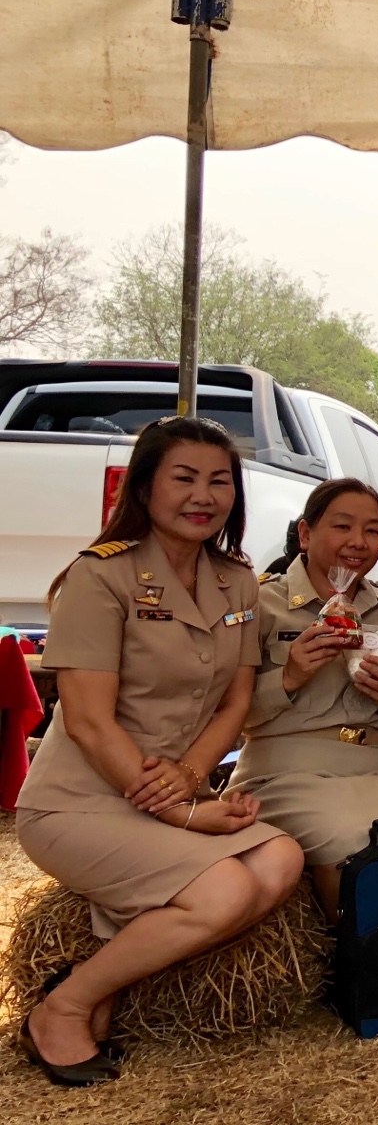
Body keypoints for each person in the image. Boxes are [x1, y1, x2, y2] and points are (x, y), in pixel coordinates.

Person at [14, 417, 304, 1086]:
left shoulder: (237, 581)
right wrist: (184, 816)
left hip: (172, 792)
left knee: (282, 856)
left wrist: (194, 782)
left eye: (220, 481)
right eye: (184, 478)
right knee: (225, 890)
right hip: (80, 804)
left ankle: (101, 968)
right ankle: (66, 1006)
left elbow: (235, 701)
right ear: (143, 488)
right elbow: (87, 722)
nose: (204, 495)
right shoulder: (99, 577)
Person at [229, 479, 378, 920]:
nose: (359, 542)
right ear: (305, 534)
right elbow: (228, 711)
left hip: (373, 772)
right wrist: (289, 675)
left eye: (374, 530)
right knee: (353, 846)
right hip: (286, 774)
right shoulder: (263, 603)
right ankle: (352, 970)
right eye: (343, 526)